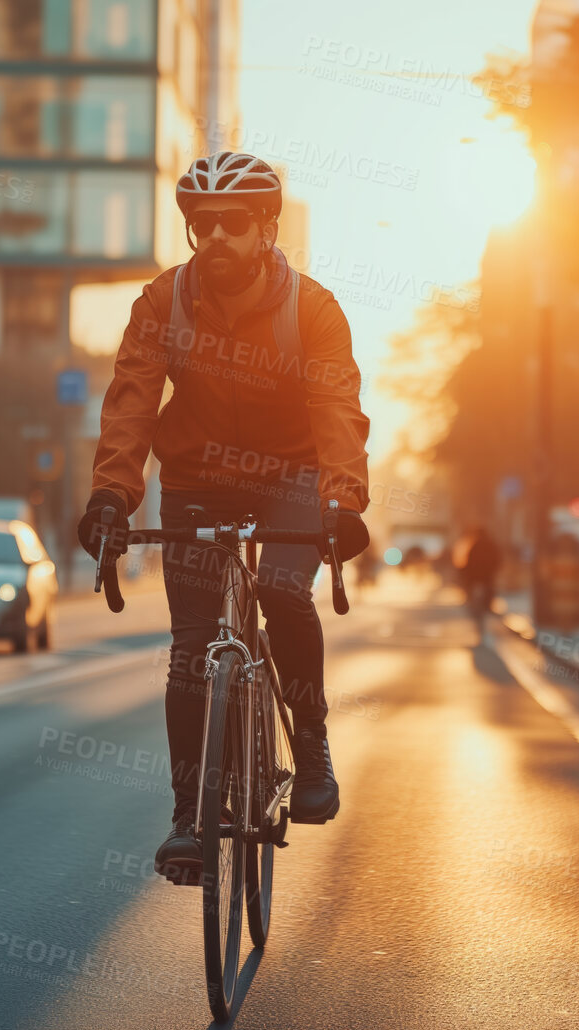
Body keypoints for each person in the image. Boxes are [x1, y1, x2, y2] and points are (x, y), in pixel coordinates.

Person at [75, 152, 371, 885]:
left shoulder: (313, 309)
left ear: (266, 228)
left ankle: (310, 749)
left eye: (231, 223)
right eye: (200, 224)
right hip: (197, 477)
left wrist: (340, 501)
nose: (214, 236)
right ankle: (188, 820)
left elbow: (336, 413)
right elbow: (131, 403)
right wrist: (111, 496)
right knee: (189, 649)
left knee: (279, 587)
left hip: (292, 477)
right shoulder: (161, 303)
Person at [456, 526, 501, 627]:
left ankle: (473, 605)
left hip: (476, 575)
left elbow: (468, 561)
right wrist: (494, 570)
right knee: (489, 589)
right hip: (487, 574)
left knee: (473, 589)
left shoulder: (474, 545)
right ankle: (487, 606)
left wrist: (466, 573)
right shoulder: (491, 544)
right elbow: (497, 559)